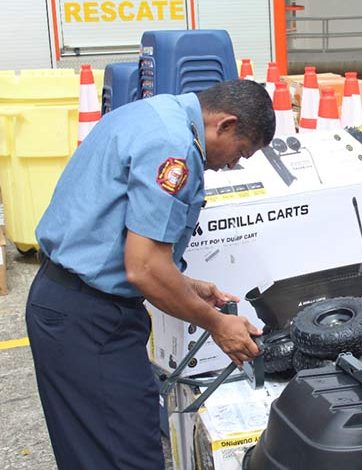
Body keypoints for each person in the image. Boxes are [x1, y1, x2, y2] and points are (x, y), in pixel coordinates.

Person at [26, 79, 275, 469]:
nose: (233, 165)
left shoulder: (155, 112)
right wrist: (216, 324)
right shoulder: (173, 148)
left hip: (65, 300)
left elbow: (116, 238)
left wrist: (186, 285)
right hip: (91, 320)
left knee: (90, 452)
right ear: (225, 124)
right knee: (127, 455)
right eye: (240, 153)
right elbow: (144, 268)